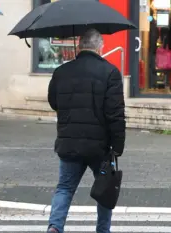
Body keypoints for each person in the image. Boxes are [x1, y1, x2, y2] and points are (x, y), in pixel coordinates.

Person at [46, 29, 126, 233]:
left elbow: (54, 102)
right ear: (101, 47)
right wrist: (118, 146)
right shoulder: (110, 72)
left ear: (80, 46)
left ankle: (54, 227)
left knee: (64, 188)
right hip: (100, 146)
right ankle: (102, 230)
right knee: (105, 189)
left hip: (69, 142)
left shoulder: (61, 72)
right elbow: (115, 113)